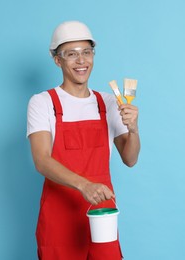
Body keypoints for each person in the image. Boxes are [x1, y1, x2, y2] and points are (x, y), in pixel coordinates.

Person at [27, 21, 140, 260]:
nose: (81, 61)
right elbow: (41, 160)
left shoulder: (108, 102)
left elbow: (130, 159)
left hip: (102, 214)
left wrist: (134, 129)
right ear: (58, 60)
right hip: (59, 217)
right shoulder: (43, 102)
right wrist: (84, 185)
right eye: (72, 54)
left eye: (86, 52)